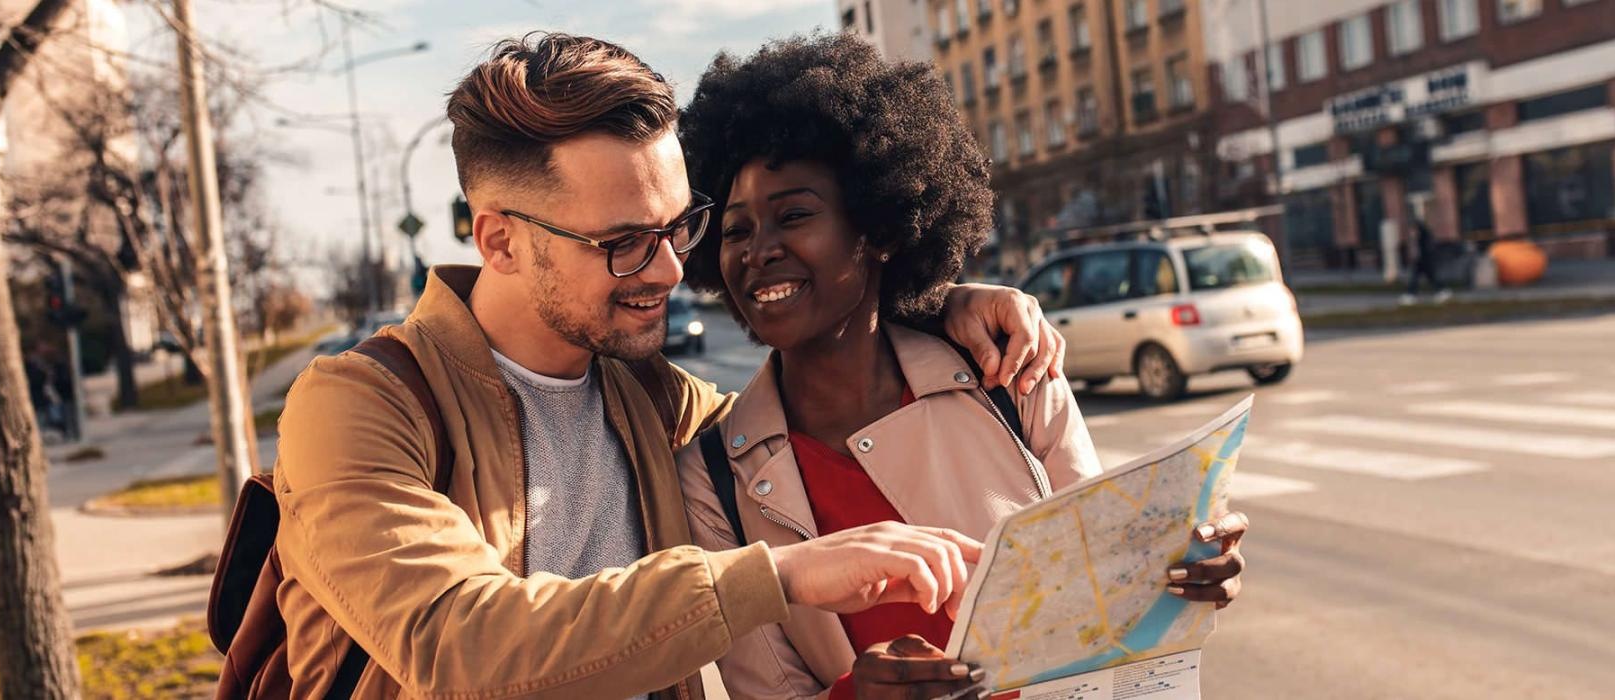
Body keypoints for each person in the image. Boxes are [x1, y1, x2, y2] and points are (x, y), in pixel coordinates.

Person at [271, 33, 1071, 699]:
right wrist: (779, 575)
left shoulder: (654, 399)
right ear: (500, 242)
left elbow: (819, 361)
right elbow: (459, 643)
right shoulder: (359, 406)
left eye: (678, 227)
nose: (665, 271)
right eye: (621, 243)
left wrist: (931, 298)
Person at [674, 35, 1249, 699]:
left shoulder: (1008, 373)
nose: (759, 251)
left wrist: (1185, 576)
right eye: (737, 230)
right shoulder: (714, 476)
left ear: (881, 230)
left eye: (794, 215)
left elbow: (1107, 593)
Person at [1401, 217, 1451, 306]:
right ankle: (1441, 291)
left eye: (1413, 228)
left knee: (1423, 278)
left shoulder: (1423, 236)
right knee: (1425, 278)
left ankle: (1410, 295)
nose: (1412, 231)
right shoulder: (1421, 236)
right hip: (1422, 261)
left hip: (1425, 261)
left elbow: (1426, 249)